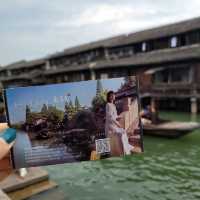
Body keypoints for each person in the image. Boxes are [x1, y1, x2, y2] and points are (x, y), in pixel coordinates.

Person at [105, 91, 134, 155]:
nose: (113, 96)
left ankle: (124, 150)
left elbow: (114, 116)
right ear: (109, 97)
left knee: (123, 131)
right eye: (111, 95)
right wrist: (118, 124)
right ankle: (121, 152)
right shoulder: (108, 105)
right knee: (120, 133)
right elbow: (110, 118)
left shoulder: (113, 105)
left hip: (114, 125)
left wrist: (118, 117)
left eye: (113, 95)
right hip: (110, 127)